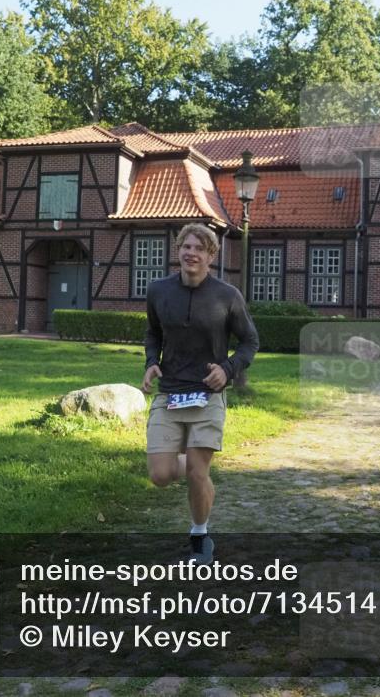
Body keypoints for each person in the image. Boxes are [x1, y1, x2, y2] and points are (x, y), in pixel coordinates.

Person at [141, 224, 259, 565]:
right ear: (178, 251)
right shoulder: (158, 291)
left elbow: (250, 341)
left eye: (199, 248)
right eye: (186, 246)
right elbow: (153, 333)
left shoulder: (227, 296)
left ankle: (200, 537)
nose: (191, 253)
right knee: (160, 475)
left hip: (208, 395)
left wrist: (228, 369)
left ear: (211, 256)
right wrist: (151, 362)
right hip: (170, 394)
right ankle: (197, 471)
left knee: (196, 471)